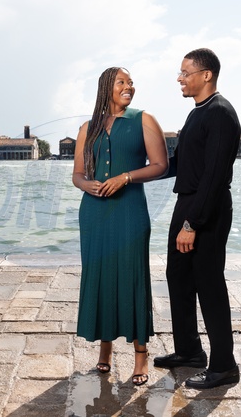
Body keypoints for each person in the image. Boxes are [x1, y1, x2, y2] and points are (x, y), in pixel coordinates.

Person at [73, 66, 168, 386]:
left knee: (133, 277)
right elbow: (77, 174)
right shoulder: (88, 127)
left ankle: (141, 356)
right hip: (94, 212)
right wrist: (86, 185)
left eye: (131, 82)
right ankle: (105, 350)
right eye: (121, 82)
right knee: (101, 278)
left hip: (130, 211)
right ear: (106, 88)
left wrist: (126, 177)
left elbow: (161, 165)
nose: (129, 86)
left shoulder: (145, 120)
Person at [153, 48, 241, 389]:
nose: (180, 78)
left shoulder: (220, 113)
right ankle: (189, 351)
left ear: (206, 75)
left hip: (209, 209)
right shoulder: (196, 114)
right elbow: (179, 165)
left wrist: (192, 224)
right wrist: (133, 174)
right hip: (187, 203)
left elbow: (214, 176)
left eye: (185, 72)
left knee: (209, 283)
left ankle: (224, 366)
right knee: (177, 276)